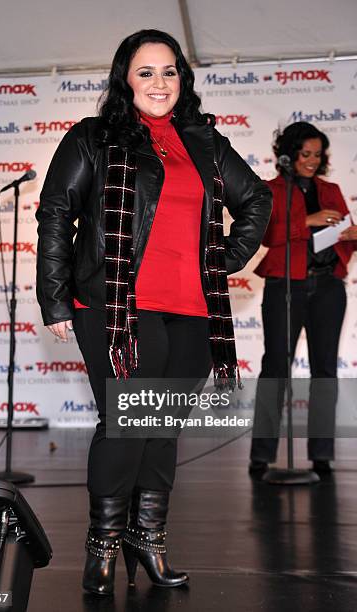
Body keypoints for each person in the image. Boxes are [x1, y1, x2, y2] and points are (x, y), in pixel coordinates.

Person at [36, 29, 272, 596]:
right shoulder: (93, 138)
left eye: (169, 71)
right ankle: (103, 547)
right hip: (116, 306)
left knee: (160, 428)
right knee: (125, 427)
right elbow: (56, 214)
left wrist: (217, 262)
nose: (159, 83)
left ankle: (148, 538)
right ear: (125, 78)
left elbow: (257, 201)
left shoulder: (204, 141)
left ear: (183, 79)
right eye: (146, 72)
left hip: (193, 309)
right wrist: (54, 297)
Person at [250, 121, 357, 476]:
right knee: (276, 369)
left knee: (325, 370)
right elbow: (266, 237)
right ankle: (262, 455)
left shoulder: (332, 189)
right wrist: (308, 221)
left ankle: (322, 455)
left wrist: (348, 233)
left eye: (317, 154)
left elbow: (343, 234)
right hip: (285, 285)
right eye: (305, 154)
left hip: (328, 287)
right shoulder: (272, 190)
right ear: (289, 154)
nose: (312, 161)